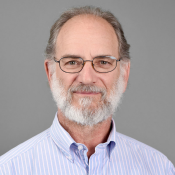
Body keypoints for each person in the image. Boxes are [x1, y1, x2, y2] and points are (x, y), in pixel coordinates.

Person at [0, 6, 174, 175]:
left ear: (124, 73)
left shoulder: (159, 169)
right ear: (50, 73)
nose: (87, 78)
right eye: (72, 62)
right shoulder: (9, 169)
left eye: (103, 62)